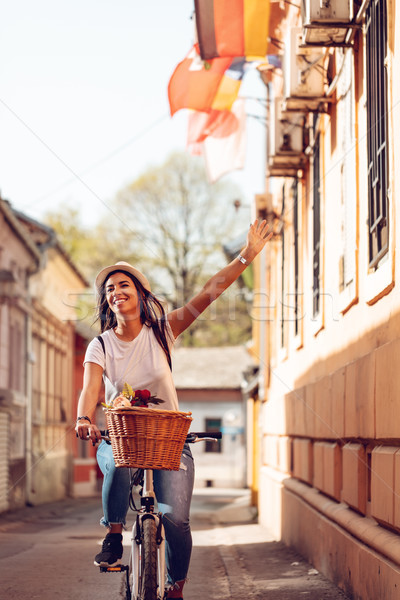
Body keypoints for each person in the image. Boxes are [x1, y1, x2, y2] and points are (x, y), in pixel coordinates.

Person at [75, 219, 272, 599]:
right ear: (106, 301)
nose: (116, 292)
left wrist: (247, 255)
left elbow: (208, 293)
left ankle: (176, 587)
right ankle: (114, 536)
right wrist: (85, 418)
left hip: (169, 440)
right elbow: (90, 388)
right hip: (123, 436)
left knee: (175, 518)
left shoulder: (163, 331)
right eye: (110, 289)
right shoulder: (99, 345)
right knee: (116, 460)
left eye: (124, 285)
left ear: (140, 294)